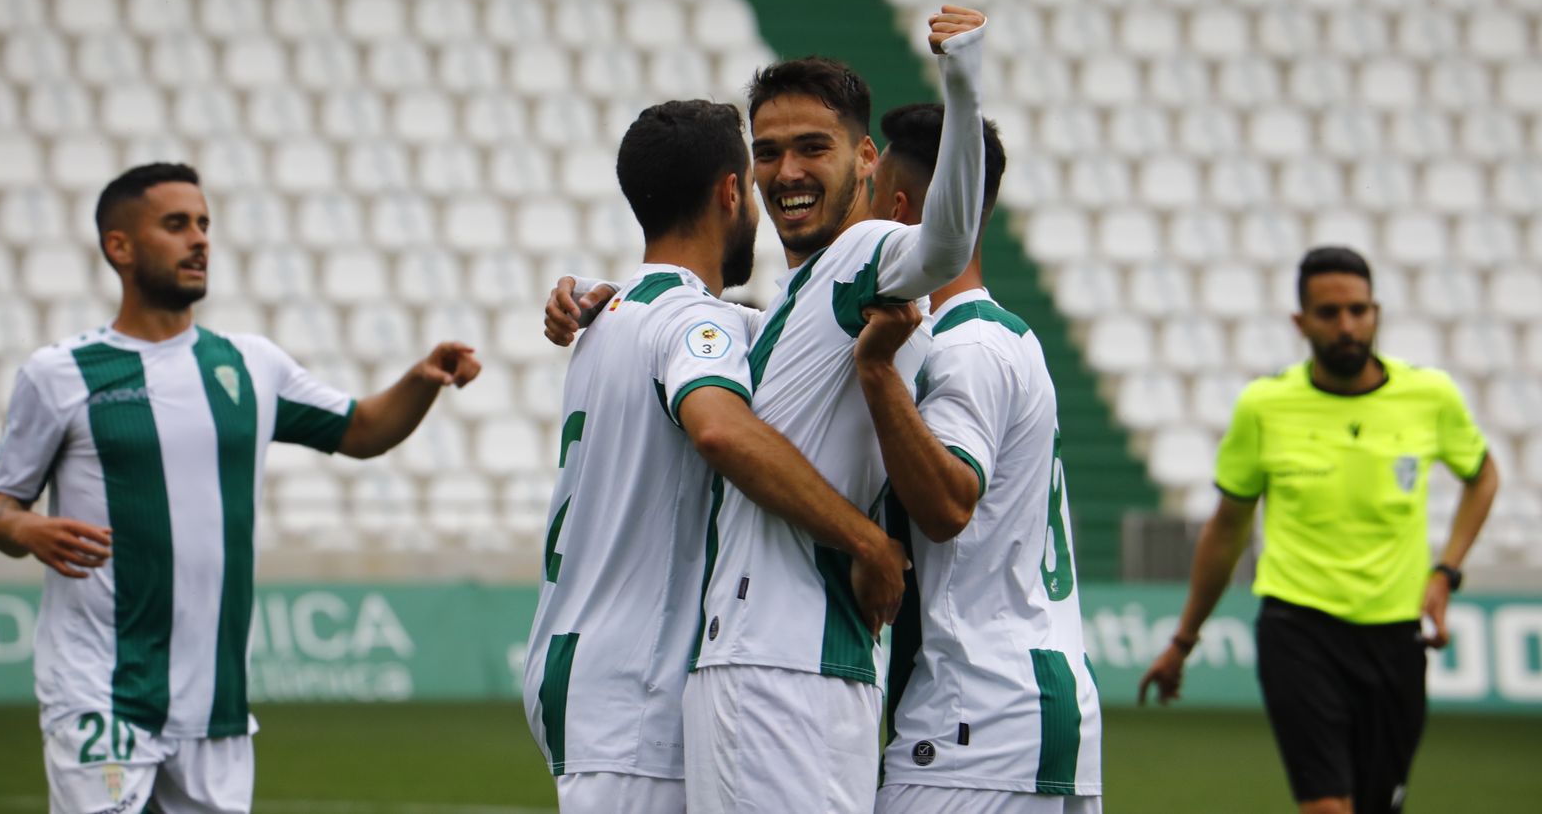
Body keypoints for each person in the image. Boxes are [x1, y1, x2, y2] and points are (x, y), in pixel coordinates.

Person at [0, 162, 481, 814]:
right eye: (176, 224)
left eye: (205, 224)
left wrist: (422, 378)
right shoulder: (59, 374)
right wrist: (25, 528)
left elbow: (360, 430)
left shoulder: (249, 363)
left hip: (215, 705)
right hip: (100, 692)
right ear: (119, 246)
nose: (199, 239)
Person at [521, 100, 908, 814]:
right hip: (635, 687)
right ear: (732, 192)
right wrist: (865, 540)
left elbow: (777, 336)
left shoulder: (610, 316)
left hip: (583, 663)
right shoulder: (692, 321)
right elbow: (721, 430)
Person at [1137, 246, 1500, 814]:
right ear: (1300, 322)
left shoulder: (1431, 398)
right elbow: (1227, 531)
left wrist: (1446, 571)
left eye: (1359, 310)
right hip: (1298, 629)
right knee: (1328, 807)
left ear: (1376, 312)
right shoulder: (1265, 406)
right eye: (1329, 313)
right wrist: (1183, 641)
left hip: (1396, 639)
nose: (1347, 325)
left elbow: (1483, 478)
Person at [854, 104, 1102, 814]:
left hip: (975, 724)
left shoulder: (966, 347)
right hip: (1024, 707)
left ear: (899, 212)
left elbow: (948, 505)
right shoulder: (1002, 335)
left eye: (872, 201)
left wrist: (875, 378)